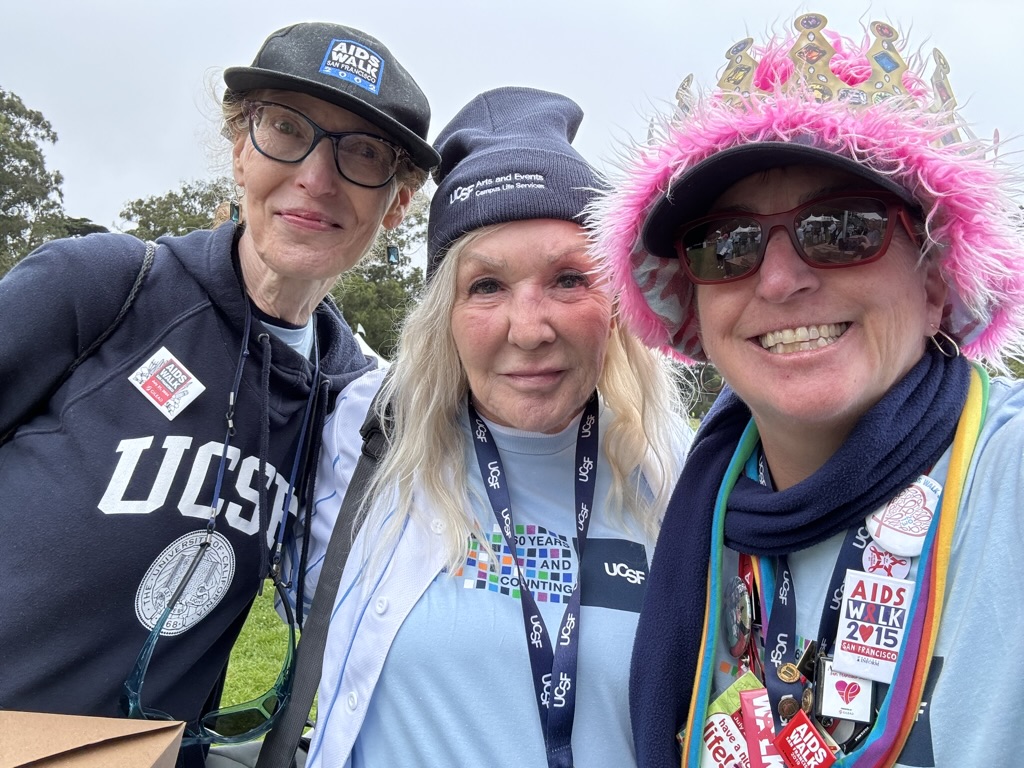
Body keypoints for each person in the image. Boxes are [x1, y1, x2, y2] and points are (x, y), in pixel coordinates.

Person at [591, 13, 1024, 768]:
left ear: (935, 277)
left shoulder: (1005, 478)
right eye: (728, 244)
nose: (782, 279)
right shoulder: (703, 510)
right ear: (693, 307)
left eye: (843, 228)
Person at [0, 20, 438, 767]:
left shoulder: (351, 408)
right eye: (286, 129)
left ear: (395, 206)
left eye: (361, 154)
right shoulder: (102, 287)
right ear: (241, 150)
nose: (316, 176)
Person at [300, 86, 693, 768]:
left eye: (569, 280)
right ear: (440, 317)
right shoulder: (360, 443)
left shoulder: (679, 472)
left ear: (617, 305)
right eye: (485, 287)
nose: (530, 330)